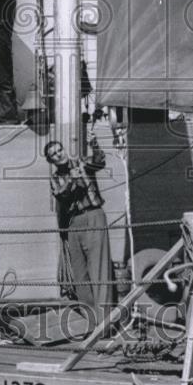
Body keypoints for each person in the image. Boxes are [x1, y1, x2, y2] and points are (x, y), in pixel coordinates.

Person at [44, 136, 113, 324]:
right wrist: (71, 181)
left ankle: (105, 323)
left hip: (93, 216)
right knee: (80, 275)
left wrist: (94, 144)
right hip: (73, 223)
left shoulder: (82, 163)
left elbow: (99, 162)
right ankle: (92, 322)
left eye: (59, 150)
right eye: (54, 155)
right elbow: (61, 196)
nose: (59, 155)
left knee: (99, 271)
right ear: (51, 161)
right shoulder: (55, 178)